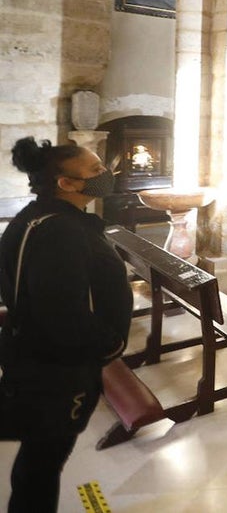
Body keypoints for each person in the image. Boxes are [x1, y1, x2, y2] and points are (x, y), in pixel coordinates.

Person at [0, 138, 133, 511]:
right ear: (67, 184)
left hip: (35, 354)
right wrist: (110, 346)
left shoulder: (34, 216)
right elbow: (64, 314)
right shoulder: (62, 233)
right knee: (45, 459)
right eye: (94, 171)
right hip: (60, 369)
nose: (105, 174)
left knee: (38, 457)